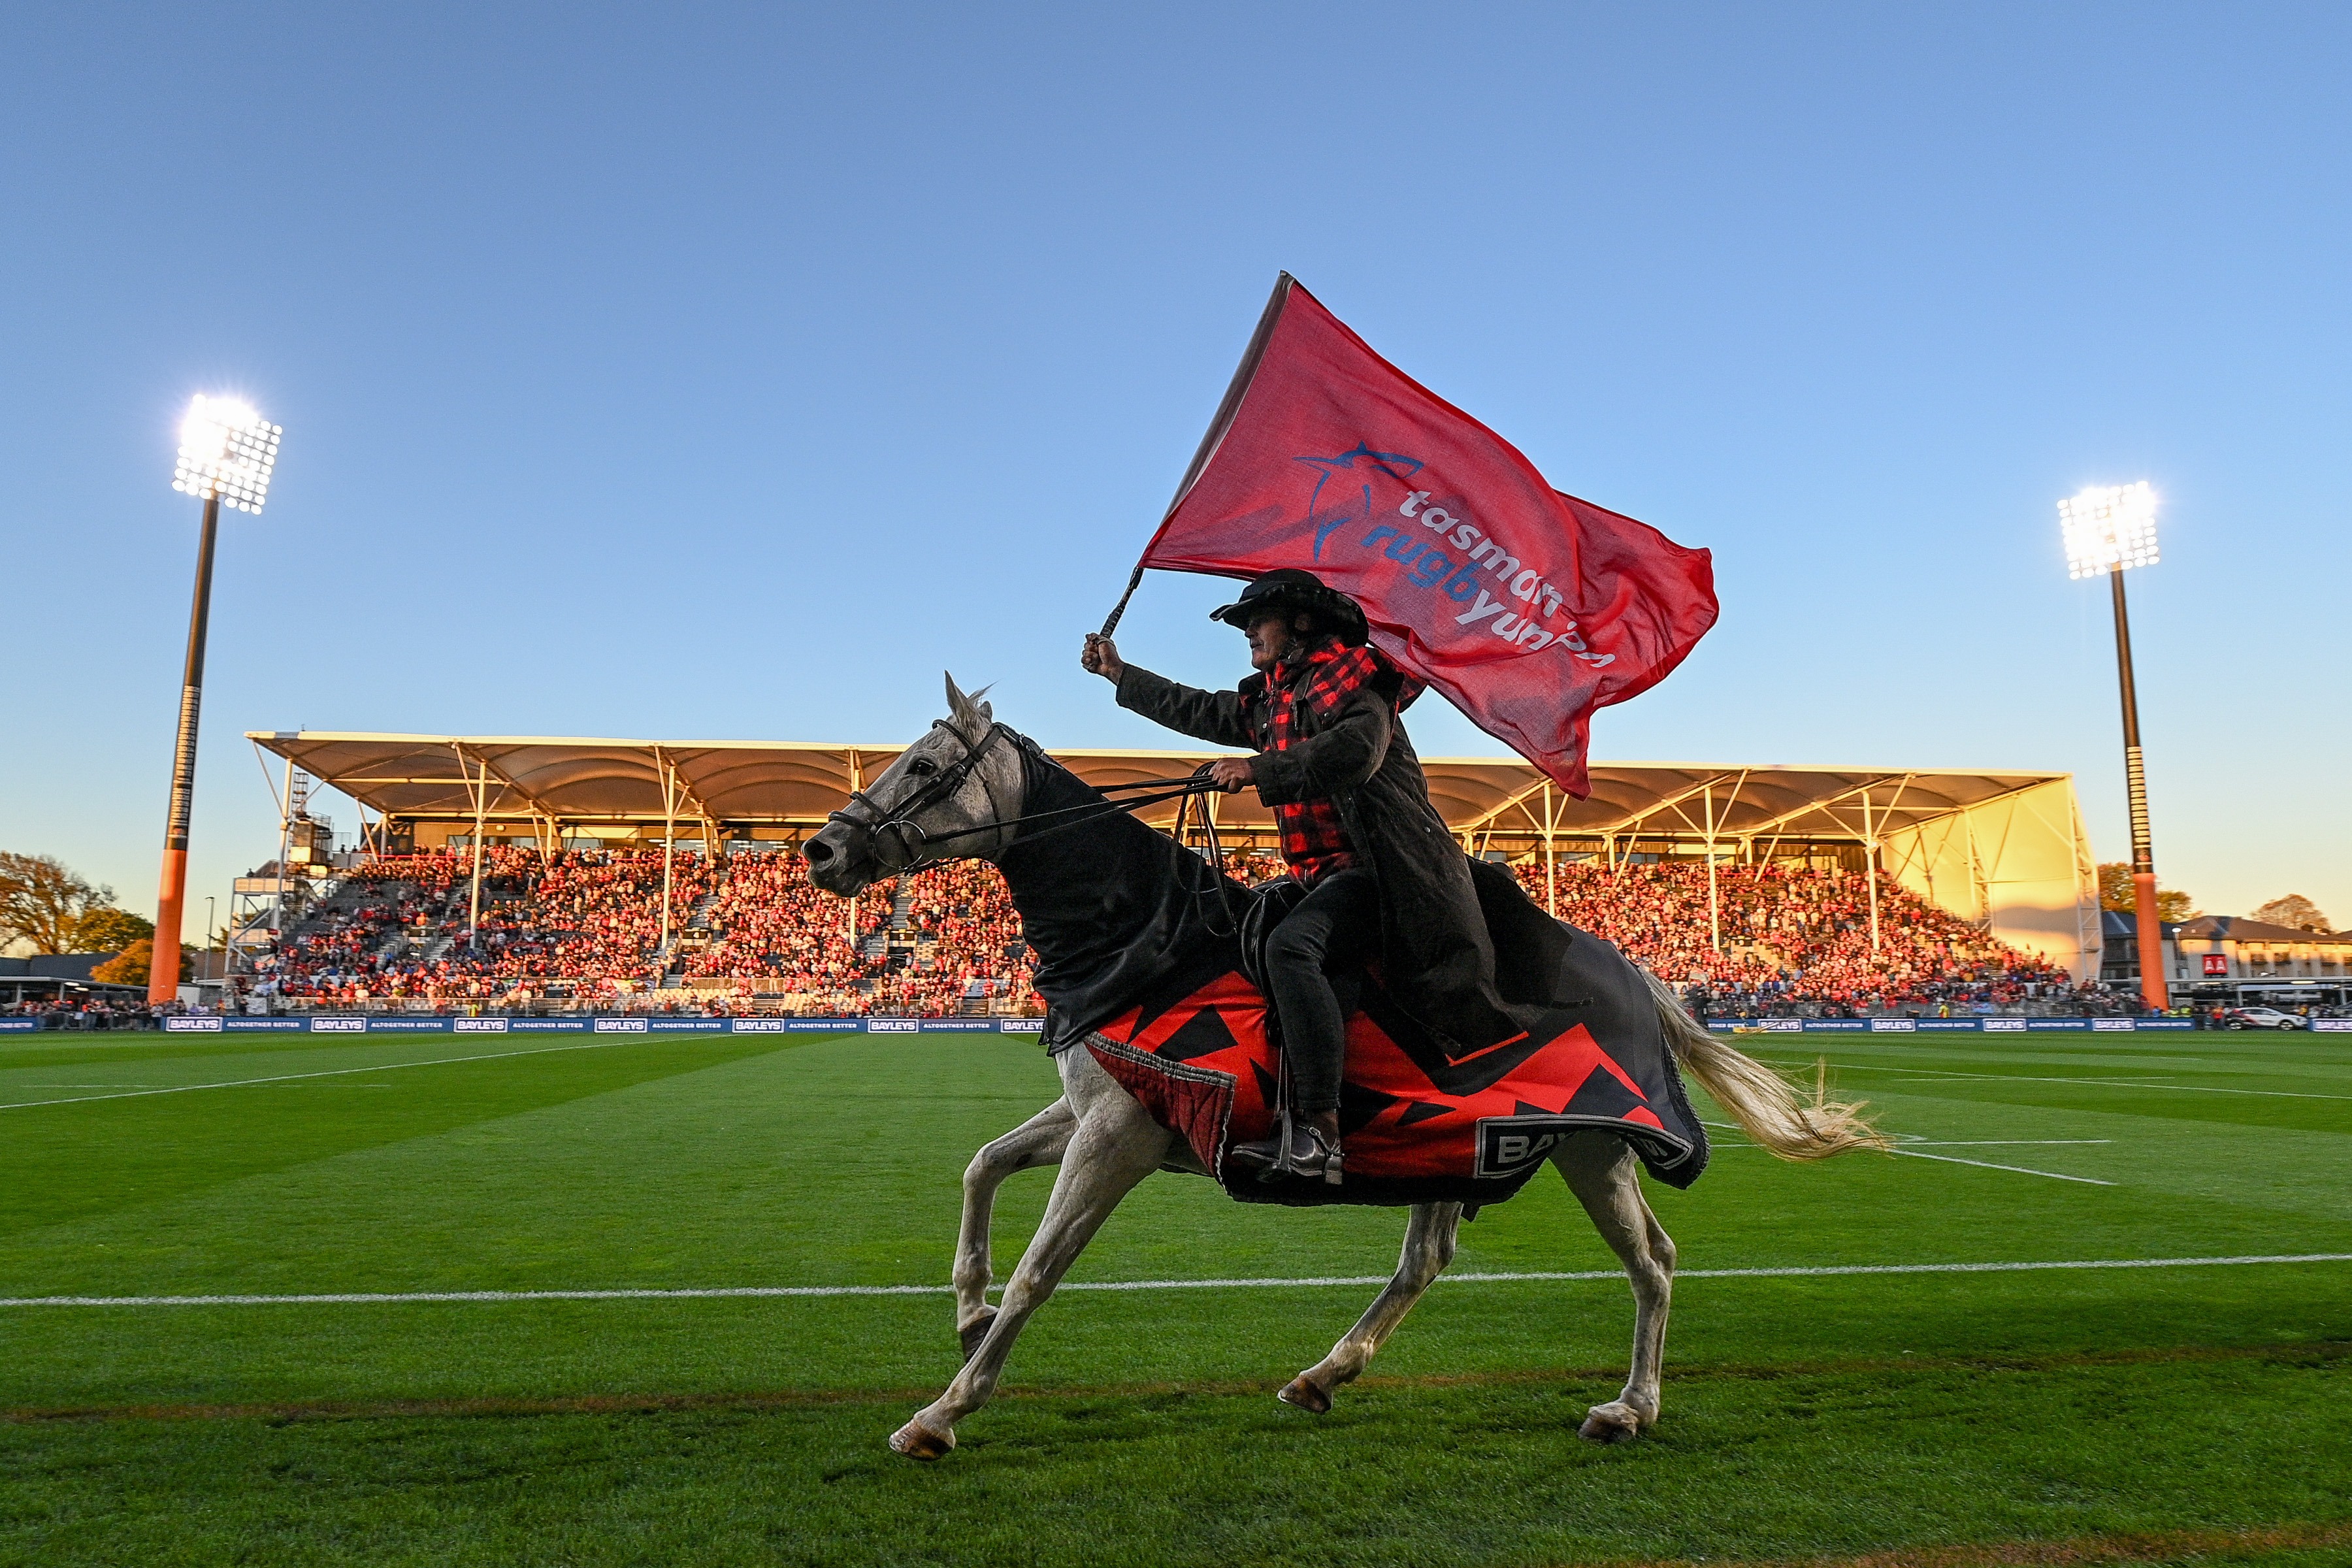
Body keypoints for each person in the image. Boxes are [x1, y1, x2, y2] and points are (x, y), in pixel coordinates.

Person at [1082, 568, 1512, 1184]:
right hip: (1316, 877)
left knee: (1292, 947)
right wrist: (1120, 674)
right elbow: (1196, 708)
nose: (1248, 632)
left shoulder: (1363, 683)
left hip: (1382, 875)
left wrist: (1260, 770)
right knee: (1236, 930)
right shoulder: (1272, 698)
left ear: (1303, 624)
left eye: (1258, 621)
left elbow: (1352, 756)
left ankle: (1321, 1134)